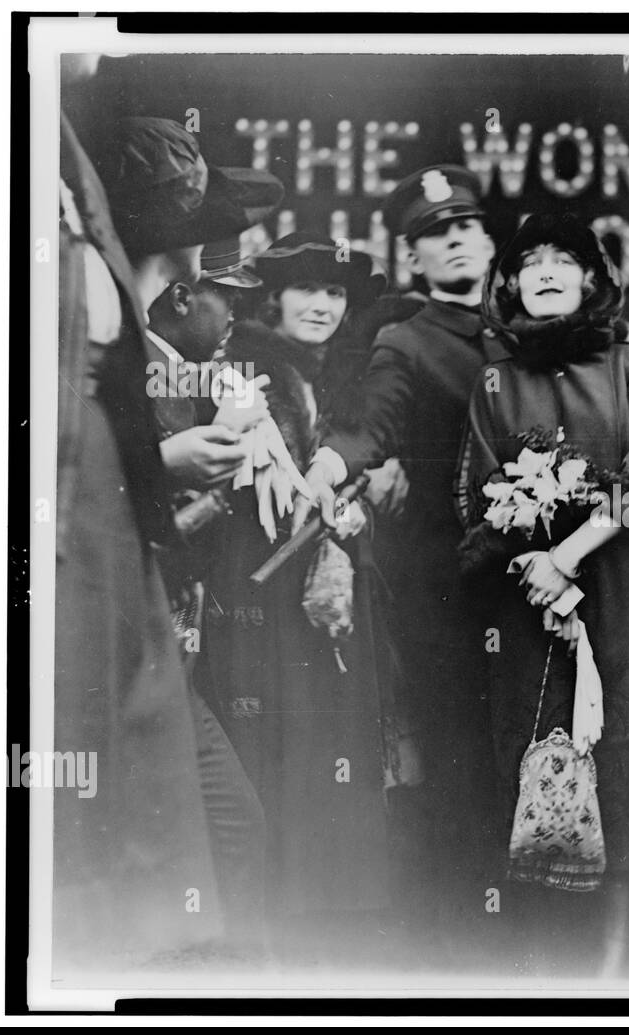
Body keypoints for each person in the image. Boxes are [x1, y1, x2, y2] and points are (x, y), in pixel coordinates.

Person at [458, 213, 629, 977]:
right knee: (545, 791)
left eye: (561, 261)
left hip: (623, 590)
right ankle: (545, 989)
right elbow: (473, 500)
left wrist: (567, 554)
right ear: (509, 283)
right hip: (527, 604)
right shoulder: (493, 379)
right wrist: (525, 554)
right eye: (528, 261)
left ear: (589, 280)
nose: (543, 271)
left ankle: (615, 987)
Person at [56, 107, 280, 968]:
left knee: (215, 839)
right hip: (97, 620)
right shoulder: (118, 341)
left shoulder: (150, 343)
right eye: (206, 241)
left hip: (144, 634)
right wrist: (170, 460)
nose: (217, 263)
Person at [318, 165, 501, 958]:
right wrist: (332, 465)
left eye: (466, 227)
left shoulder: (524, 326)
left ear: (489, 242)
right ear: (415, 259)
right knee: (461, 769)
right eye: (435, 234)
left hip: (539, 588)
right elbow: (370, 428)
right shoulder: (405, 341)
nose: (455, 241)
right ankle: (458, 959)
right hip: (447, 594)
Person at [199, 232, 392, 951]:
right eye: (307, 289)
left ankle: (328, 917)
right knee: (275, 739)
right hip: (260, 586)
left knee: (330, 741)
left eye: (336, 291)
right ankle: (273, 926)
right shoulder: (240, 367)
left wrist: (347, 496)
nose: (322, 305)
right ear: (273, 297)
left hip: (323, 589)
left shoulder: (342, 374)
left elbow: (363, 444)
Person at [146, 242, 278, 948]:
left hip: (171, 649)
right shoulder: (131, 373)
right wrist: (202, 484)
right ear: (181, 296)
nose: (237, 312)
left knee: (230, 831)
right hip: (138, 647)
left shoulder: (190, 376)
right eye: (226, 295)